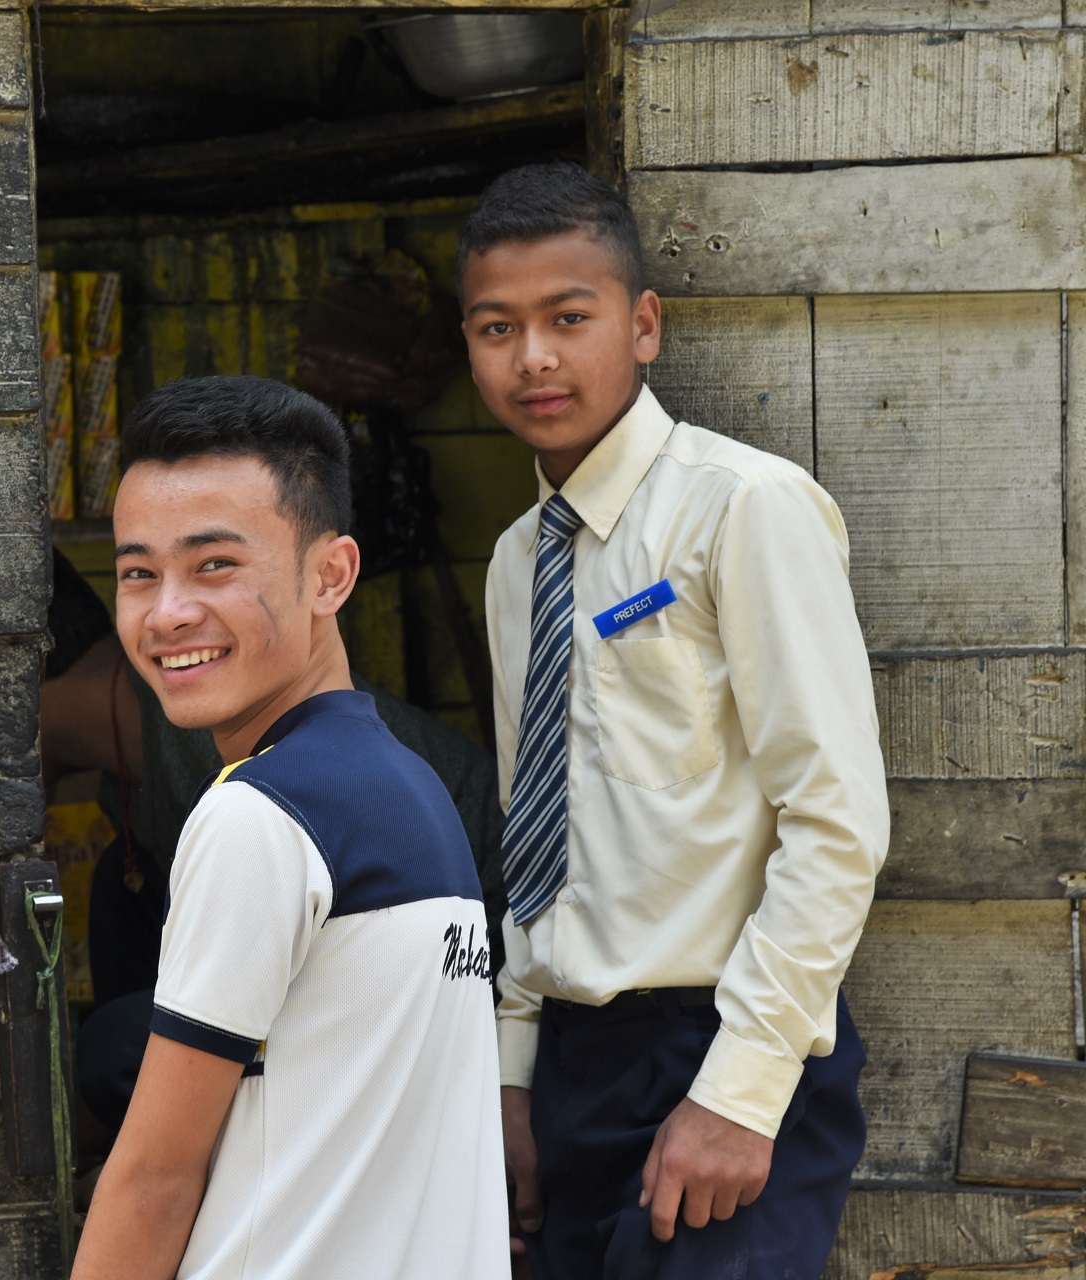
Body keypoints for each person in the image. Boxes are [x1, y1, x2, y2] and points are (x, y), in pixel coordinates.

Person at [462, 162, 888, 1279]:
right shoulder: (516, 563)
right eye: (498, 328)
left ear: (643, 325)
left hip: (725, 1037)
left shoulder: (742, 508)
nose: (533, 357)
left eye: (569, 318)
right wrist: (511, 1072)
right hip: (573, 1067)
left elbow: (836, 821)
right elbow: (531, 830)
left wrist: (742, 1090)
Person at [71, 375, 509, 1279]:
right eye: (138, 573)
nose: (167, 612)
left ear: (330, 576)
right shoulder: (411, 787)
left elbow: (153, 1180)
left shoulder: (260, 815)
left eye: (214, 565)